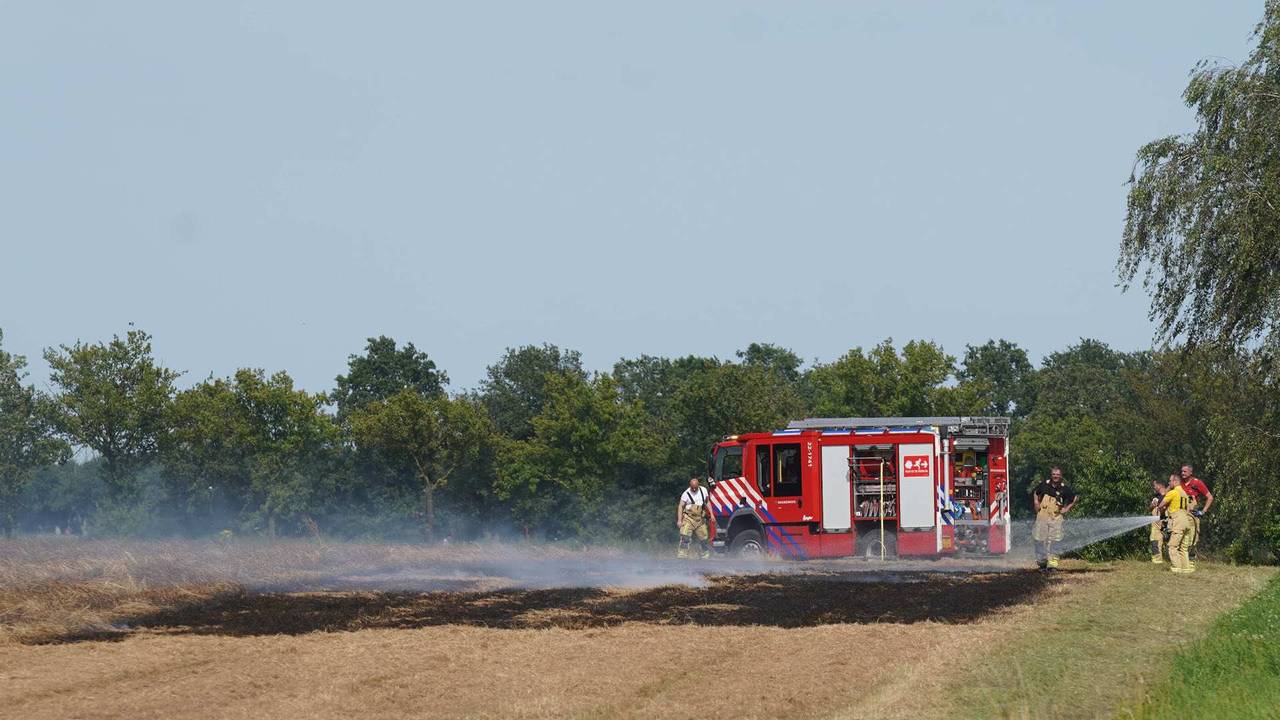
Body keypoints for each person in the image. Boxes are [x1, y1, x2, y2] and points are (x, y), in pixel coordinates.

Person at [1032, 467, 1078, 570]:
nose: (1055, 476)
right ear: (1051, 475)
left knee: (1055, 541)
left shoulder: (1064, 488)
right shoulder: (1044, 484)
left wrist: (1066, 508)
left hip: (1056, 517)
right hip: (1042, 516)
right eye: (1054, 474)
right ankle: (1042, 564)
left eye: (1057, 474)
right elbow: (1036, 492)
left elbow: (1074, 498)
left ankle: (1053, 565)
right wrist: (1036, 502)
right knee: (1039, 539)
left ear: (1061, 476)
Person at [1157, 474, 1194, 574]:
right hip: (1186, 521)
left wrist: (1160, 510)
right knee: (1183, 548)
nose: (1169, 483)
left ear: (1175, 481)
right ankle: (1186, 569)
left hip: (1178, 521)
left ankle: (1176, 568)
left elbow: (1161, 505)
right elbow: (1188, 508)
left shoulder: (1173, 492)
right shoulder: (1184, 494)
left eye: (1170, 481)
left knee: (1172, 546)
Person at [1179, 465, 1213, 569]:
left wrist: (1203, 511)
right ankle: (1181, 562)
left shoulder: (1197, 483)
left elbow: (1210, 497)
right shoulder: (1179, 484)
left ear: (1190, 473)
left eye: (1185, 471)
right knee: (1179, 539)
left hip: (1192, 517)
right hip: (1180, 516)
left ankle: (1191, 561)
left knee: (1192, 540)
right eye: (1181, 471)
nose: (1182, 473)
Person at [676, 477, 711, 559]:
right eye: (692, 488)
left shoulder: (703, 490)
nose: (694, 489)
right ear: (690, 486)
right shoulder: (686, 493)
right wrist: (679, 520)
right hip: (689, 519)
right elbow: (680, 506)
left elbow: (707, 502)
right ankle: (682, 555)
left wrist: (712, 515)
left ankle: (705, 555)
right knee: (685, 537)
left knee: (704, 538)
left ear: (698, 485)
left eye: (696, 488)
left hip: (700, 519)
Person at [1149, 478, 1169, 564]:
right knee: (1155, 539)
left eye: (1155, 485)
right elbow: (1150, 509)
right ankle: (1157, 559)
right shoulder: (1156, 497)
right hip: (1155, 524)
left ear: (1160, 485)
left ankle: (1175, 560)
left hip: (1165, 521)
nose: (1154, 487)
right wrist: (1152, 506)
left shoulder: (1168, 495)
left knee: (1170, 540)